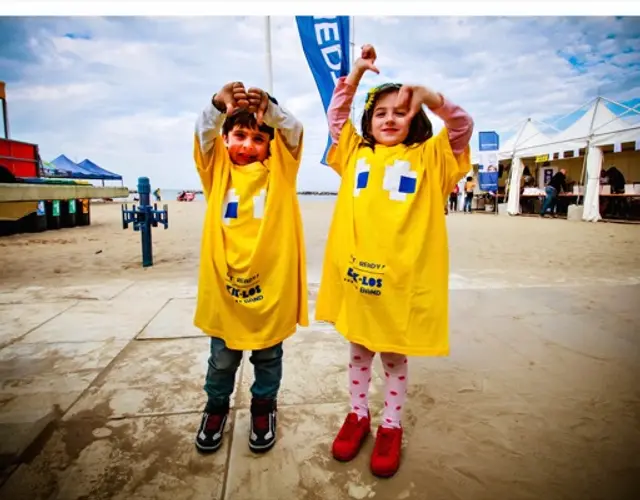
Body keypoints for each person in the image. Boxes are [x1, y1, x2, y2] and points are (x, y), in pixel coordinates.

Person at [316, 44, 473, 477]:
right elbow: (335, 119)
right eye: (380, 113)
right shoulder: (354, 153)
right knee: (359, 351)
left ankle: (391, 424)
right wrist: (356, 74)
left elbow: (462, 127)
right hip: (357, 280)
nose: (389, 119)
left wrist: (432, 98)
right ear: (368, 122)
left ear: (415, 119)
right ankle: (358, 414)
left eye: (399, 112)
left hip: (402, 284)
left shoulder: (429, 158)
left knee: (394, 357)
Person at [192, 81, 308, 455]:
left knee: (268, 357)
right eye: (240, 135)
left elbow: (294, 132)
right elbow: (203, 134)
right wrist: (217, 104)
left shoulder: (281, 173)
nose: (247, 145)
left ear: (269, 146)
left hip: (270, 287)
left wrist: (270, 109)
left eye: (259, 138)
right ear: (227, 139)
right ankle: (215, 408)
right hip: (225, 287)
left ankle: (263, 407)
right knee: (222, 359)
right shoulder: (216, 171)